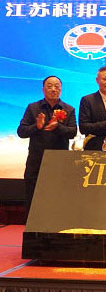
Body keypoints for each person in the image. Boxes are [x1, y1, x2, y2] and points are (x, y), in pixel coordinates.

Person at [17, 76, 77, 212]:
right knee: (33, 198)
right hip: (36, 161)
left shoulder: (69, 109)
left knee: (57, 199)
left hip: (59, 161)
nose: (53, 89)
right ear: (43, 90)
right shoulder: (33, 108)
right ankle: (32, 225)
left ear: (61, 90)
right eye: (49, 86)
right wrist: (37, 127)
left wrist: (58, 127)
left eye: (57, 86)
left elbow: (72, 132)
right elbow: (21, 132)